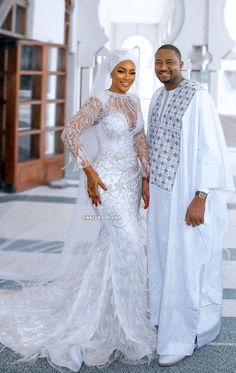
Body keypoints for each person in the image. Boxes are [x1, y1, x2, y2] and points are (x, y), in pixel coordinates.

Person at [0, 49, 156, 371]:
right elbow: (70, 133)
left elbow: (139, 138)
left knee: (115, 248)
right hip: (106, 182)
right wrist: (88, 171)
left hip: (129, 180)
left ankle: (108, 316)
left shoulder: (134, 102)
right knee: (126, 241)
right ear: (110, 71)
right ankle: (103, 324)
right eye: (121, 71)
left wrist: (145, 177)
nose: (127, 78)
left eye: (132, 73)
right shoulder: (99, 101)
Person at [147, 44, 234, 367]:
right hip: (161, 196)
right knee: (163, 258)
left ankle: (183, 336)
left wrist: (201, 196)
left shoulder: (198, 97)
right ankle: (164, 323)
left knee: (186, 261)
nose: (163, 67)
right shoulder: (157, 96)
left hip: (188, 196)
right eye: (158, 63)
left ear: (182, 63)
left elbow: (212, 149)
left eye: (169, 62)